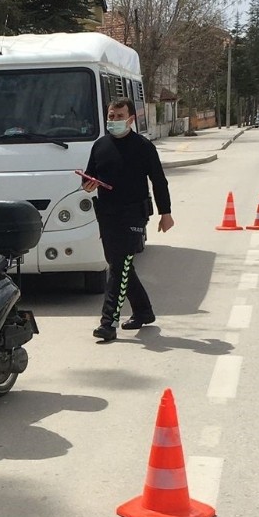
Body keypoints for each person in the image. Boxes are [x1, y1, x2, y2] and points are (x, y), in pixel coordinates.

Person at [80, 97, 173, 343]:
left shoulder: (143, 146)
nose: (114, 120)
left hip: (133, 213)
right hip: (107, 214)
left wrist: (166, 213)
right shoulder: (100, 146)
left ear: (131, 119)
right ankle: (144, 311)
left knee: (119, 266)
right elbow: (89, 176)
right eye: (111, 116)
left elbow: (159, 180)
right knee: (119, 264)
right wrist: (87, 185)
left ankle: (108, 322)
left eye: (119, 116)